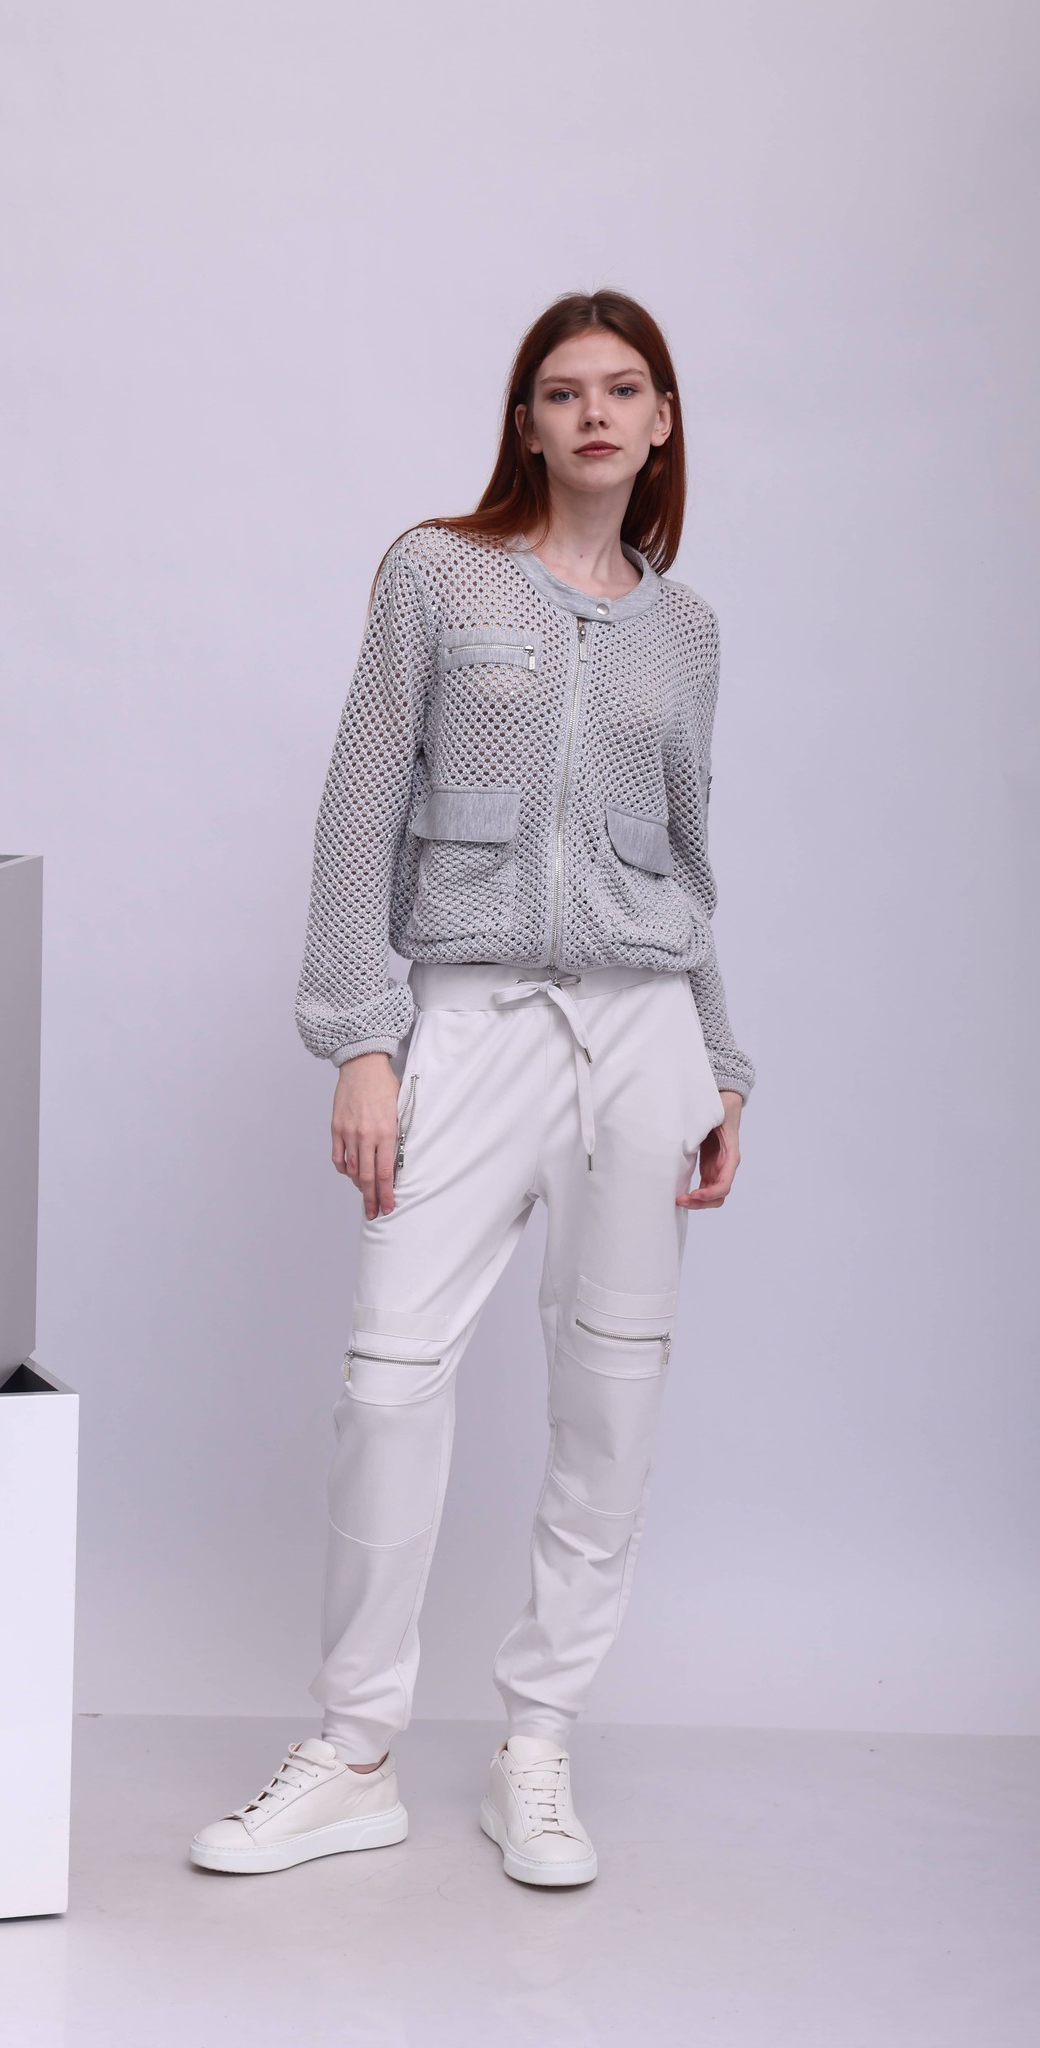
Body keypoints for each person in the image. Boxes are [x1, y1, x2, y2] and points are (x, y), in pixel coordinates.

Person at [190, 290, 754, 1887]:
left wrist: (718, 1060)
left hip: (641, 1029)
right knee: (389, 1377)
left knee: (610, 1395)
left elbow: (687, 860)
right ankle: (353, 1751)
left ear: (659, 423)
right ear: (526, 422)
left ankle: (537, 1747)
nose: (594, 414)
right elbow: (355, 804)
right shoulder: (434, 574)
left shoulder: (688, 631)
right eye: (562, 391)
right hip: (470, 1015)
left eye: (623, 390)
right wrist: (361, 1038)